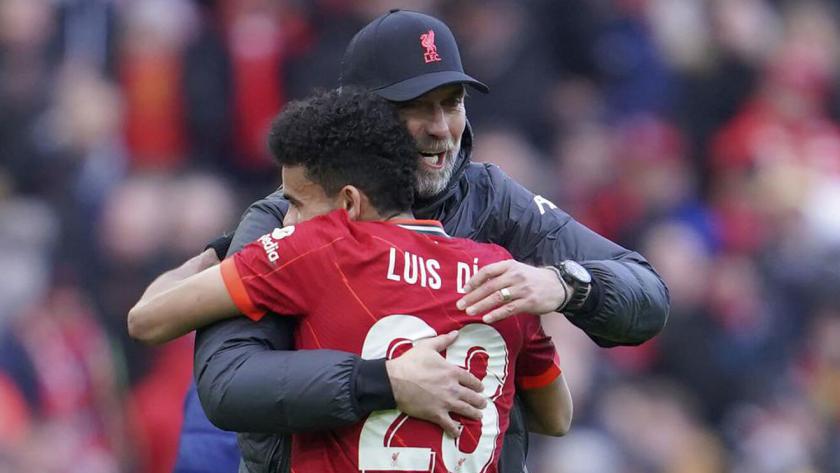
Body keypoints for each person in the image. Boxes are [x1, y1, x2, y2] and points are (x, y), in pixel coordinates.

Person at [176, 9, 669, 473]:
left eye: (452, 103)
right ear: (361, 120)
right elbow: (226, 384)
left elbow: (647, 295)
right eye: (415, 107)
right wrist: (383, 381)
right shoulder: (287, 215)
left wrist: (564, 285)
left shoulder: (494, 202)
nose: (440, 129)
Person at [129, 88, 572, 473]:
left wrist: (216, 253)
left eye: (296, 203)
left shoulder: (319, 249)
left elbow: (146, 319)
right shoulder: (499, 273)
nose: (286, 220)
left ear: (348, 204)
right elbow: (557, 418)